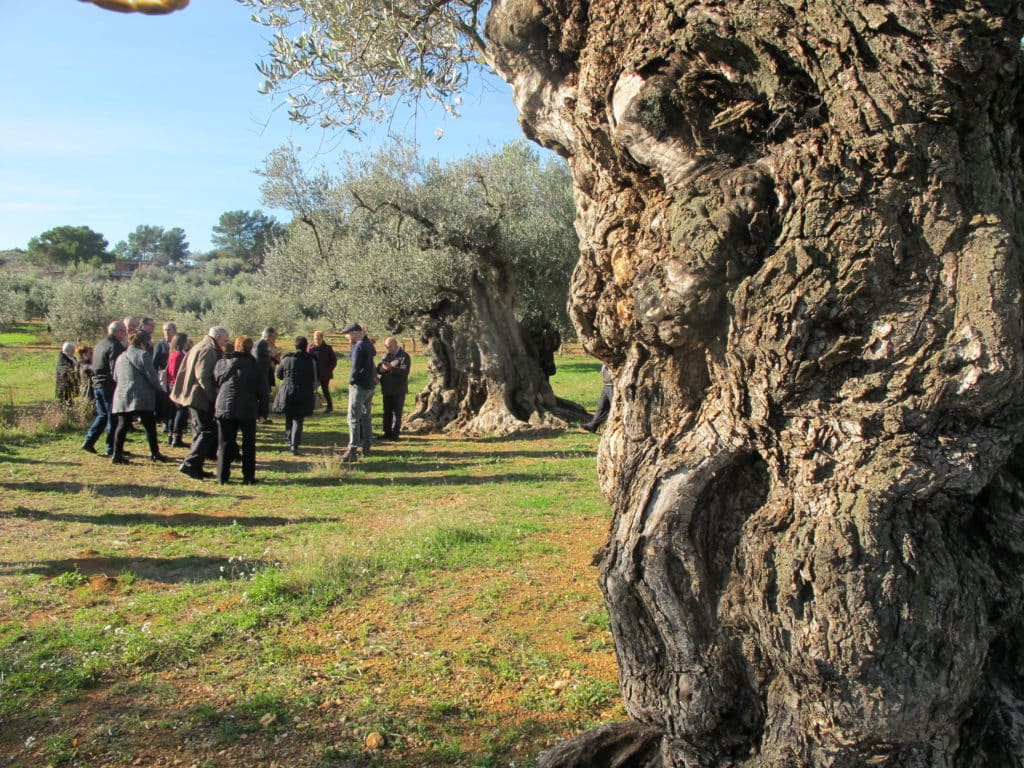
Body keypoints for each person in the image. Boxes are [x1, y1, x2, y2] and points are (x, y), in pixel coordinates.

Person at [172, 326, 229, 480]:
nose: (226, 342)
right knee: (206, 431)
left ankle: (196, 466)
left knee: (200, 432)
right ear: (217, 336)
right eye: (225, 339)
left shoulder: (199, 346)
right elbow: (203, 376)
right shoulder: (208, 349)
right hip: (199, 396)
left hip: (193, 395)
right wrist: (213, 396)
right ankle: (190, 464)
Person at [214, 335, 269, 485]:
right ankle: (248, 477)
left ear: (236, 346)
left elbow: (216, 380)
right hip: (248, 408)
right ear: (251, 348)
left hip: (225, 407)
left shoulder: (222, 363)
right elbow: (263, 391)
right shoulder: (256, 366)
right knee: (248, 445)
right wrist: (263, 412)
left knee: (225, 443)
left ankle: (222, 476)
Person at [110, 330, 169, 465]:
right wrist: (160, 391)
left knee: (122, 426)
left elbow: (115, 377)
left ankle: (116, 454)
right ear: (144, 342)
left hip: (122, 395)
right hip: (141, 396)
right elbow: (152, 376)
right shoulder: (143, 355)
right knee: (149, 426)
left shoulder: (121, 356)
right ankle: (155, 453)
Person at [82, 320, 127, 456]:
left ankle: (89, 441)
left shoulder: (100, 344)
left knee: (102, 415)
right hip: (109, 385)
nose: (124, 334)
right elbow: (116, 368)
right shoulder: (115, 346)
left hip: (97, 383)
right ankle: (111, 447)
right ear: (118, 331)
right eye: (123, 331)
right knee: (113, 416)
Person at [272, 336, 317, 455]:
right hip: (304, 391)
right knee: (298, 418)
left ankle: (288, 439)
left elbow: (279, 374)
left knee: (289, 415)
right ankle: (294, 444)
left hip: (288, 390)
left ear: (295, 346)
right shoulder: (311, 360)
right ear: (306, 346)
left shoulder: (287, 359)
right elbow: (315, 377)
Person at [340, 322, 376, 462]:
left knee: (353, 418)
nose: (346, 337)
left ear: (354, 333)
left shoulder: (359, 346)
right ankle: (366, 446)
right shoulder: (367, 344)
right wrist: (364, 336)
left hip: (359, 387)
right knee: (366, 417)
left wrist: (351, 381)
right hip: (369, 387)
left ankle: (352, 449)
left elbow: (354, 368)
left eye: (347, 334)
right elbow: (372, 353)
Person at [377, 336, 411, 440]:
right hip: (387, 388)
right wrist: (381, 369)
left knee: (397, 412)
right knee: (386, 411)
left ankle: (395, 434)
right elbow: (378, 368)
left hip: (398, 389)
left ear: (396, 345)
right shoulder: (386, 356)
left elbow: (404, 371)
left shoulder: (404, 356)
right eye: (387, 347)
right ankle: (386, 432)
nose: (388, 349)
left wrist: (392, 368)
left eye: (390, 346)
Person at [165, 332, 190, 447]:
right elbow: (175, 372)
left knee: (175, 411)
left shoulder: (174, 354)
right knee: (180, 411)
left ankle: (172, 435)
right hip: (177, 386)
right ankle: (176, 437)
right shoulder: (178, 355)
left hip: (174, 385)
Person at [308, 329, 338, 413]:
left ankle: (329, 407)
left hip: (325, 374)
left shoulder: (328, 348)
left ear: (322, 338)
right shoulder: (311, 348)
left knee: (325, 390)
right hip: (313, 373)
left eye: (318, 339)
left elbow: (334, 361)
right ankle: (311, 406)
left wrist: (328, 370)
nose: (316, 340)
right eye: (315, 338)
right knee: (310, 390)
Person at [583, 364, 613, 433]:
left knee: (615, 407)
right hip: (607, 385)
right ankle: (593, 426)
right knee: (601, 407)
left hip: (613, 386)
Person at [254, 327, 281, 392]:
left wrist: (274, 358)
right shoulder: (262, 343)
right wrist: (272, 362)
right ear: (269, 336)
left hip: (262, 378)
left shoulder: (260, 344)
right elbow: (262, 360)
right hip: (261, 378)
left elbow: (265, 357)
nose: (274, 340)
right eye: (274, 338)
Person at [55, 341, 79, 407]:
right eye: (73, 350)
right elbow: (63, 370)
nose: (74, 351)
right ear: (69, 350)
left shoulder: (73, 358)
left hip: (71, 385)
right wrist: (73, 371)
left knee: (71, 402)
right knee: (65, 404)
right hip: (64, 386)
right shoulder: (62, 358)